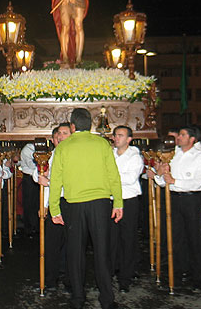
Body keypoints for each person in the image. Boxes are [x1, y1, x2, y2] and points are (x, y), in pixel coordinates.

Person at [49, 108, 122, 309]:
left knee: (75, 253)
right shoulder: (102, 144)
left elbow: (56, 180)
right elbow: (113, 175)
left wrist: (54, 209)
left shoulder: (63, 147)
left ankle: (78, 298)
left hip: (74, 205)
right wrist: (118, 203)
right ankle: (107, 299)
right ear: (90, 124)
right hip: (100, 203)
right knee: (102, 251)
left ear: (72, 127)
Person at [154, 125, 201, 287]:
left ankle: (196, 274)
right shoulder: (175, 154)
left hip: (192, 199)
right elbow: (166, 178)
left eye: (183, 135)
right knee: (177, 236)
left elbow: (198, 183)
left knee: (194, 236)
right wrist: (159, 175)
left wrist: (175, 181)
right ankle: (180, 269)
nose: (178, 138)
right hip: (175, 198)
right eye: (179, 135)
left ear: (192, 139)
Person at [33, 123, 72, 290]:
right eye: (58, 135)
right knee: (52, 244)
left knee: (71, 243)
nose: (60, 137)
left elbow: (70, 181)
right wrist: (42, 176)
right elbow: (37, 174)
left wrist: (48, 182)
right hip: (52, 203)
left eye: (64, 133)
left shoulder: (73, 155)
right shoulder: (49, 156)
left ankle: (71, 279)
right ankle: (50, 279)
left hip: (69, 201)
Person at [109, 125, 144, 292]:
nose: (116, 138)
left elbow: (130, 178)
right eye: (115, 135)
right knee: (112, 238)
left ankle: (126, 276)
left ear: (129, 139)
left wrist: (110, 177)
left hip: (128, 200)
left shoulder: (134, 156)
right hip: (111, 199)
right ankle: (113, 268)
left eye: (121, 135)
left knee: (127, 239)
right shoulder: (110, 154)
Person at [19, 139, 39, 237]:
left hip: (38, 177)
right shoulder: (27, 149)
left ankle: (37, 226)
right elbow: (31, 164)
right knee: (29, 203)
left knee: (37, 203)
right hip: (29, 178)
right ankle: (29, 228)